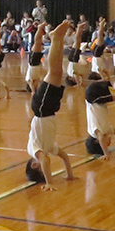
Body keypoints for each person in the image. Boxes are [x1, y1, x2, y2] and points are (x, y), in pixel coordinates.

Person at [25, 22, 77, 190]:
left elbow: (45, 161)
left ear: (34, 165)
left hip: (42, 109)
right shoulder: (48, 148)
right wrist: (69, 174)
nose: (46, 165)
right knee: (58, 72)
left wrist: (49, 183)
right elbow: (64, 156)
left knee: (53, 72)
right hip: (49, 109)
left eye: (42, 170)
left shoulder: (34, 150)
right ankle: (58, 38)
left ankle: (55, 38)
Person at [24, 23, 46, 92]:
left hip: (33, 63)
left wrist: (33, 91)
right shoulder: (36, 78)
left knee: (37, 42)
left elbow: (31, 83)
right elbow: (39, 81)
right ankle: (40, 28)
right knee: (39, 42)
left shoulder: (28, 79)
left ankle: (39, 28)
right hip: (37, 63)